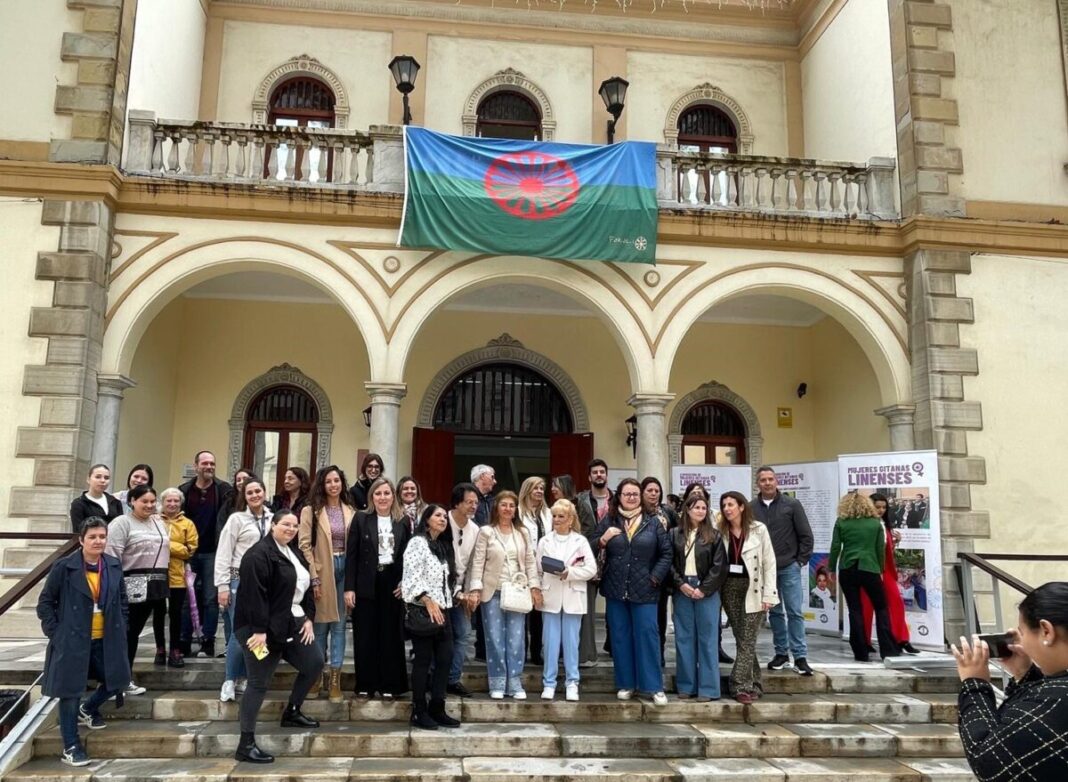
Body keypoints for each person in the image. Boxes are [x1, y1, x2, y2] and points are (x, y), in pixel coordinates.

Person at [37, 517, 131, 767]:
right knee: (69, 692)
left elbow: (121, 598)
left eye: (102, 536)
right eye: (93, 537)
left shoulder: (112, 564)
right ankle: (71, 745)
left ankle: (89, 708)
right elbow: (45, 603)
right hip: (72, 638)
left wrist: (123, 624)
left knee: (117, 680)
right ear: (81, 540)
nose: (98, 541)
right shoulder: (64, 567)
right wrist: (56, 633)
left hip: (106, 636)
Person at [232, 510, 324, 764]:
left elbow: (306, 586)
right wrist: (259, 632)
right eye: (286, 524)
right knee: (259, 682)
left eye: (295, 526)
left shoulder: (291, 551)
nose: (291, 529)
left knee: (314, 662)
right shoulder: (258, 555)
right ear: (273, 525)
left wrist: (308, 618)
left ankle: (292, 711)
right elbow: (254, 597)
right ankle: (245, 743)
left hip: (290, 624)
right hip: (257, 632)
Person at [952, 582, 1068, 782]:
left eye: (1022, 632)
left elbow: (988, 760)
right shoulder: (1054, 695)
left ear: (1046, 631)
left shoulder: (1055, 700)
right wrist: (1024, 673)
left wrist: (975, 684)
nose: (1021, 642)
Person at [594, 477, 671, 705]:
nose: (631, 498)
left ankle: (654, 686)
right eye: (627, 494)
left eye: (635, 494)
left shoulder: (654, 522)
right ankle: (626, 683)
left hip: (646, 589)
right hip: (616, 588)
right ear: (619, 496)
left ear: (641, 497)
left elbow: (666, 553)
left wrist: (655, 577)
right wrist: (603, 539)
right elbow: (590, 543)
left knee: (648, 636)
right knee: (620, 637)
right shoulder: (610, 520)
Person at [468, 490, 543, 699]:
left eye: (511, 505)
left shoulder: (523, 533)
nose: (508, 508)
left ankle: (515, 681)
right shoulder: (486, 532)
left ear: (515, 509)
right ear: (497, 507)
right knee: (494, 637)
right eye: (504, 505)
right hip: (493, 591)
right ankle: (498, 682)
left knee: (516, 638)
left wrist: (534, 587)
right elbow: (478, 562)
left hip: (517, 591)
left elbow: (529, 562)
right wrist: (475, 588)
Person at [344, 476, 410, 699]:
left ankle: (390, 684)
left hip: (393, 582)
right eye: (378, 493)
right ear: (372, 496)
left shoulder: (403, 521)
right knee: (365, 634)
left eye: (387, 493)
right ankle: (366, 683)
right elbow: (351, 556)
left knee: (390, 634)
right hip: (366, 582)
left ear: (394, 496)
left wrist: (405, 582)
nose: (383, 497)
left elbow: (407, 557)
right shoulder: (361, 519)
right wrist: (349, 588)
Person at [401, 504, 463, 730]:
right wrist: (426, 599)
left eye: (444, 516)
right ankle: (418, 710)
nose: (443, 519)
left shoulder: (444, 546)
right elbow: (411, 576)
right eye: (437, 515)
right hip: (424, 610)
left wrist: (458, 594)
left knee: (445, 659)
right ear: (426, 520)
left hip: (444, 610)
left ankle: (438, 706)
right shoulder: (417, 543)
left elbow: (449, 580)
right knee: (423, 661)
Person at [298, 465, 356, 702]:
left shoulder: (351, 510)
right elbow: (304, 545)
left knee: (340, 626)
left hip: (345, 569)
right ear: (322, 485)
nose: (333, 485)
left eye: (337, 480)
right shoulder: (310, 511)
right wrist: (313, 576)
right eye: (329, 481)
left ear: (342, 483)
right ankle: (316, 677)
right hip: (323, 570)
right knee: (320, 627)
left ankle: (335, 680)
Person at [105, 484, 168, 696]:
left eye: (152, 501)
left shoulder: (158, 522)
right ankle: (119, 680)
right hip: (129, 585)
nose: (149, 505)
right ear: (132, 501)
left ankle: (123, 678)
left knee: (134, 634)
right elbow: (112, 555)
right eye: (144, 501)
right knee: (126, 634)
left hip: (154, 586)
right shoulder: (121, 523)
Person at [752, 466, 814, 676]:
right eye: (763, 480)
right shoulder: (751, 508)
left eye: (770, 479)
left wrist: (800, 561)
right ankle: (781, 653)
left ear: (776, 481)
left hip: (788, 566)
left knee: (795, 611)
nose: (767, 483)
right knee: (775, 613)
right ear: (757, 484)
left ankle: (800, 656)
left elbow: (806, 535)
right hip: (765, 569)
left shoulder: (792, 504)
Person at [718, 490, 778, 704]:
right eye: (724, 505)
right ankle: (756, 683)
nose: (727, 508)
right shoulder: (720, 531)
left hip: (754, 587)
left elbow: (769, 563)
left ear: (742, 506)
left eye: (731, 504)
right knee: (741, 637)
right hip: (729, 588)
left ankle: (739, 685)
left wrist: (769, 593)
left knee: (748, 638)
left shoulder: (758, 529)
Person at [215, 477, 271, 702]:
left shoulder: (272, 519)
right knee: (240, 634)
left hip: (265, 584)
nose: (255, 495)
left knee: (259, 632)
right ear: (244, 496)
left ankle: (250, 676)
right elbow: (223, 552)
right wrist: (222, 586)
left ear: (265, 492)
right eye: (250, 493)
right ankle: (230, 679)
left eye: (258, 491)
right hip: (239, 581)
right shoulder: (237, 519)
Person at [828, 491, 901, 662]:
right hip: (870, 569)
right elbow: (880, 550)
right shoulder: (875, 523)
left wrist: (831, 568)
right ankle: (888, 649)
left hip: (847, 569)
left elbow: (835, 547)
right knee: (881, 608)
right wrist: (881, 571)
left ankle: (860, 652)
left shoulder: (841, 522)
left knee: (855, 610)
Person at [536, 499, 596, 701]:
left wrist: (569, 572)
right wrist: (536, 591)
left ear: (570, 519)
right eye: (554, 516)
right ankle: (549, 682)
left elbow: (591, 569)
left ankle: (572, 682)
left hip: (573, 595)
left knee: (572, 642)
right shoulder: (545, 541)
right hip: (550, 594)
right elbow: (537, 568)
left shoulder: (580, 541)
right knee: (550, 642)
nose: (556, 520)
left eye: (561, 516)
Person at [671, 494, 728, 701]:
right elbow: (669, 563)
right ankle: (686, 686)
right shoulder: (674, 534)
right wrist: (681, 584)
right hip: (683, 588)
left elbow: (719, 566)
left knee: (708, 639)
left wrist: (704, 589)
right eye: (697, 507)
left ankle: (709, 688)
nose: (701, 511)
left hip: (707, 591)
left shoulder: (714, 535)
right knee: (684, 638)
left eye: (704, 508)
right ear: (687, 510)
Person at [178, 451, 234, 659]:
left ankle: (207, 642)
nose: (209, 466)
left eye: (212, 463)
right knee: (187, 598)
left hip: (213, 552)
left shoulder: (223, 490)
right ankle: (184, 641)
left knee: (211, 599)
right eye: (205, 463)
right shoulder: (184, 490)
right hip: (189, 553)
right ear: (196, 466)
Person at [861, 492, 918, 655]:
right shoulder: (865, 524)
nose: (881, 510)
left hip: (885, 570)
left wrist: (894, 543)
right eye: (877, 507)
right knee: (866, 607)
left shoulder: (884, 525)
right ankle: (864, 641)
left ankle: (901, 639)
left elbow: (885, 550)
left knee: (896, 603)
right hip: (869, 569)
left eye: (884, 507)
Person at [552, 474, 598, 666]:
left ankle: (583, 655)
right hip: (557, 573)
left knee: (582, 615)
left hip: (578, 567)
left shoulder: (581, 506)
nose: (552, 489)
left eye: (555, 486)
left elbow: (590, 531)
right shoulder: (554, 509)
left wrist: (571, 544)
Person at [439, 482, 479, 696]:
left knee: (463, 633)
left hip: (461, 591)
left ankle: (453, 679)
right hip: (440, 590)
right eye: (468, 502)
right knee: (439, 635)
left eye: (476, 502)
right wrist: (455, 592)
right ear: (457, 503)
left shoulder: (475, 529)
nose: (473, 506)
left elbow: (474, 564)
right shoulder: (441, 521)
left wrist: (472, 592)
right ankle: (435, 677)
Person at [575, 459, 613, 659]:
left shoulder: (617, 500)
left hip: (613, 560)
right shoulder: (580, 501)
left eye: (602, 472)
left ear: (607, 475)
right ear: (589, 477)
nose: (599, 475)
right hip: (588, 558)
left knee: (614, 610)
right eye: (595, 472)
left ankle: (614, 648)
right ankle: (587, 654)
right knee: (587, 610)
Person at [158, 487, 198, 668]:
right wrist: (176, 546)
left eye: (176, 501)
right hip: (156, 574)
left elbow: (190, 550)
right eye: (169, 501)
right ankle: (160, 649)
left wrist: (166, 544)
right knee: (158, 614)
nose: (172, 504)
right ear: (163, 502)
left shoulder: (187, 524)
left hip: (178, 576)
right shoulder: (154, 520)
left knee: (176, 615)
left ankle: (175, 649)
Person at [641, 477, 677, 667]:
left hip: (662, 571)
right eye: (650, 490)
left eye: (657, 490)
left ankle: (659, 652)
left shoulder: (667, 512)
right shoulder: (637, 513)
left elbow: (677, 534)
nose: (654, 493)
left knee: (660, 614)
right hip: (640, 571)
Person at [518, 476, 551, 666]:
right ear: (527, 489)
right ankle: (521, 652)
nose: (539, 491)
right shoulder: (519, 512)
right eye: (535, 488)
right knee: (522, 610)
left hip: (543, 569)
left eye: (541, 488)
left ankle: (537, 653)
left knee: (539, 612)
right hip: (523, 567)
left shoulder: (547, 513)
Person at [69, 463, 124, 532]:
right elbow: (78, 532)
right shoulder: (78, 503)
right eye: (98, 477)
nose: (103, 481)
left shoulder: (115, 502)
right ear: (88, 479)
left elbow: (121, 529)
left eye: (106, 478)